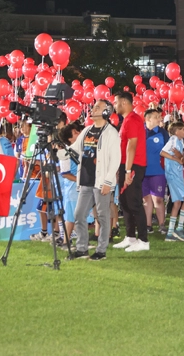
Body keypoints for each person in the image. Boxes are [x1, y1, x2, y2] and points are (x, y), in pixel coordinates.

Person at [68, 99, 121, 261]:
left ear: (106, 112)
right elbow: (74, 149)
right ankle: (82, 248)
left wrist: (108, 182)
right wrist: (59, 151)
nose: (93, 109)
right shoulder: (87, 130)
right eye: (93, 106)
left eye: (97, 107)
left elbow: (116, 159)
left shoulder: (111, 132)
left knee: (103, 217)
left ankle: (101, 250)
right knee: (79, 214)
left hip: (101, 182)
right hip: (85, 180)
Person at [112, 91, 149, 253]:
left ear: (124, 103)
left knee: (134, 202)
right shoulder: (127, 120)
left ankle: (143, 240)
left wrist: (128, 170)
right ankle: (130, 237)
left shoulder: (133, 120)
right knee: (124, 201)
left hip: (134, 165)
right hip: (125, 165)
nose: (114, 105)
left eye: (116, 102)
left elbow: (131, 146)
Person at [162, 121, 184, 241]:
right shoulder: (174, 139)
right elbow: (163, 152)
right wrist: (177, 158)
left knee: (177, 203)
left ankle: (170, 233)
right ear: (176, 132)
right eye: (182, 129)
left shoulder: (179, 141)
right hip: (173, 174)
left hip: (175, 174)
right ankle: (179, 228)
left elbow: (182, 155)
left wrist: (180, 157)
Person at [142, 107, 168, 234]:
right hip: (141, 171)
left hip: (158, 171)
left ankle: (162, 224)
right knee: (145, 199)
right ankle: (148, 225)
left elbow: (168, 150)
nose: (160, 118)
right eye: (156, 117)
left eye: (159, 116)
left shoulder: (163, 132)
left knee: (158, 199)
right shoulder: (139, 131)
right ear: (148, 119)